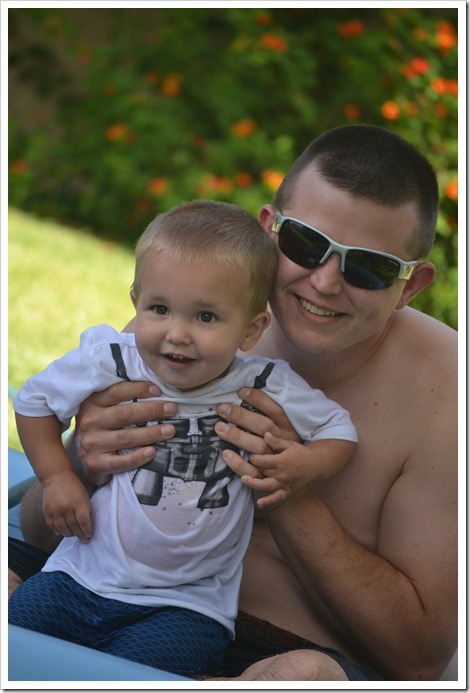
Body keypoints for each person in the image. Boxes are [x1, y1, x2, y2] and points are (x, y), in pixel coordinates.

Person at [10, 124, 457, 681]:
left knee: (305, 679)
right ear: (271, 230)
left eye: (369, 267)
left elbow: (418, 658)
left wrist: (283, 488)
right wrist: (80, 463)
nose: (325, 282)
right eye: (306, 244)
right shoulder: (192, 319)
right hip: (93, 587)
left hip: (272, 648)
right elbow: (40, 530)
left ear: (411, 285)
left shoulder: (446, 394)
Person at [9, 200, 357, 677]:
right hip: (80, 575)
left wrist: (306, 464)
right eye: (159, 309)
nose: (177, 334)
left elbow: (339, 430)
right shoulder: (114, 360)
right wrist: (57, 478)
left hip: (185, 606)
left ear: (251, 329)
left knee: (140, 676)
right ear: (136, 301)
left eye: (206, 317)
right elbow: (35, 402)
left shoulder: (262, 384)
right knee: (16, 642)